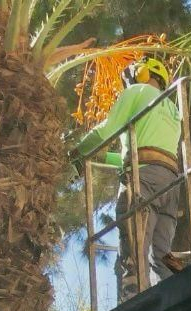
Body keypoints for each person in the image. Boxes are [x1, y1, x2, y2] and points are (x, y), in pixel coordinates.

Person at [76, 57, 184, 296]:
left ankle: (133, 306)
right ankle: (174, 299)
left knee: (133, 253)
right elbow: (145, 150)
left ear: (143, 73)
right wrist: (103, 159)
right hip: (170, 182)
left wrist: (77, 153)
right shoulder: (173, 109)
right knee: (160, 256)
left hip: (142, 178)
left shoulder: (137, 90)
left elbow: (107, 129)